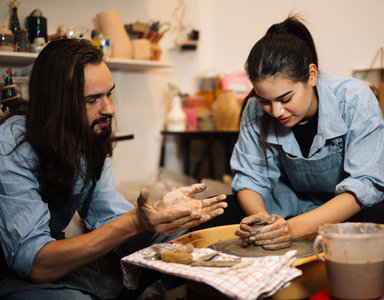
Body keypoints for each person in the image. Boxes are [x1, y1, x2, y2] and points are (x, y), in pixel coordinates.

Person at [0, 38, 227, 299]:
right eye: (92, 99)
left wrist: (158, 219)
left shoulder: (89, 136)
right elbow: (34, 264)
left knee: (201, 227)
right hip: (18, 272)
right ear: (57, 103)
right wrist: (134, 222)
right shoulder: (12, 144)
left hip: (56, 262)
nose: (108, 108)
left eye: (109, 93)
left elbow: (110, 220)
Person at [229, 16, 384, 277]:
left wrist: (290, 230)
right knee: (221, 209)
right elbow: (249, 179)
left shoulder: (354, 97)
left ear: (311, 75)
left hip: (351, 207)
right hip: (293, 204)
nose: (276, 111)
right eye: (265, 100)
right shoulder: (256, 109)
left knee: (383, 225)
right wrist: (264, 224)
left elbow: (366, 184)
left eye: (285, 98)